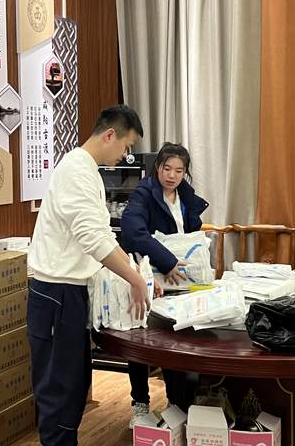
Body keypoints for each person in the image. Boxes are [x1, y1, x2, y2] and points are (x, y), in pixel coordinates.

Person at [27, 104, 149, 445]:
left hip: (70, 293)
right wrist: (134, 279)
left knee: (74, 384)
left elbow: (104, 234)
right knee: (59, 390)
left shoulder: (88, 170)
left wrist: (133, 271)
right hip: (56, 293)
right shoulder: (75, 170)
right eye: (126, 146)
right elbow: (93, 239)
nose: (125, 155)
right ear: (109, 135)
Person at [121, 142, 209, 426]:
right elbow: (134, 234)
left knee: (176, 341)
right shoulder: (144, 193)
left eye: (179, 170)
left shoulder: (186, 196)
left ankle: (175, 402)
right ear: (157, 167)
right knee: (141, 341)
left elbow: (191, 235)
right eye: (167, 168)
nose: (172, 175)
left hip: (181, 280)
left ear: (185, 173)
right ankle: (140, 404)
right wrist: (168, 262)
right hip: (151, 278)